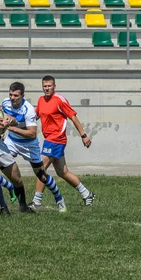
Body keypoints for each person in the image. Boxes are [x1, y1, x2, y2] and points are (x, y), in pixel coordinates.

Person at [31, 76, 95, 210]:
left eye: (49, 86)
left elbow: (73, 117)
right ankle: (87, 194)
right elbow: (34, 116)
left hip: (56, 139)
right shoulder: (41, 100)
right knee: (63, 172)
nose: (47, 88)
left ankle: (36, 201)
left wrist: (83, 135)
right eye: (44, 86)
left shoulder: (59, 100)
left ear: (54, 86)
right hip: (49, 139)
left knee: (40, 168)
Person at [2, 82, 67, 212]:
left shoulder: (28, 109)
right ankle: (3, 199)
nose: (12, 98)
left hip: (29, 145)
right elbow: (3, 116)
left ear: (22, 96)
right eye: (10, 94)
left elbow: (31, 134)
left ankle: (59, 199)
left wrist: (11, 128)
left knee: (41, 175)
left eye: (16, 95)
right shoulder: (5, 103)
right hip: (11, 141)